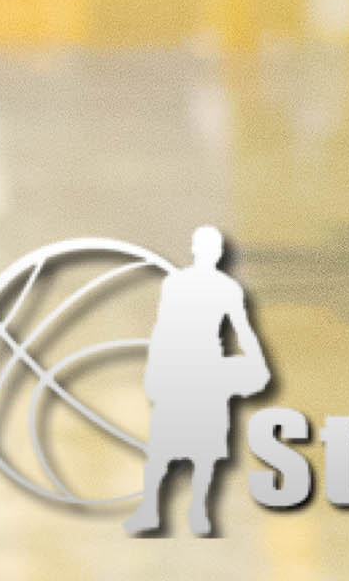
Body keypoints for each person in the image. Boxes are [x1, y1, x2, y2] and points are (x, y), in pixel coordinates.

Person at [133, 225, 270, 535]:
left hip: (207, 368)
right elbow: (163, 329)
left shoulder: (228, 289)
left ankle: (198, 510)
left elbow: (243, 330)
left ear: (217, 253)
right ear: (198, 250)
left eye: (213, 249)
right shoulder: (176, 284)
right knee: (162, 449)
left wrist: (257, 363)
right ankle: (151, 510)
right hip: (182, 366)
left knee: (205, 450)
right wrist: (154, 372)